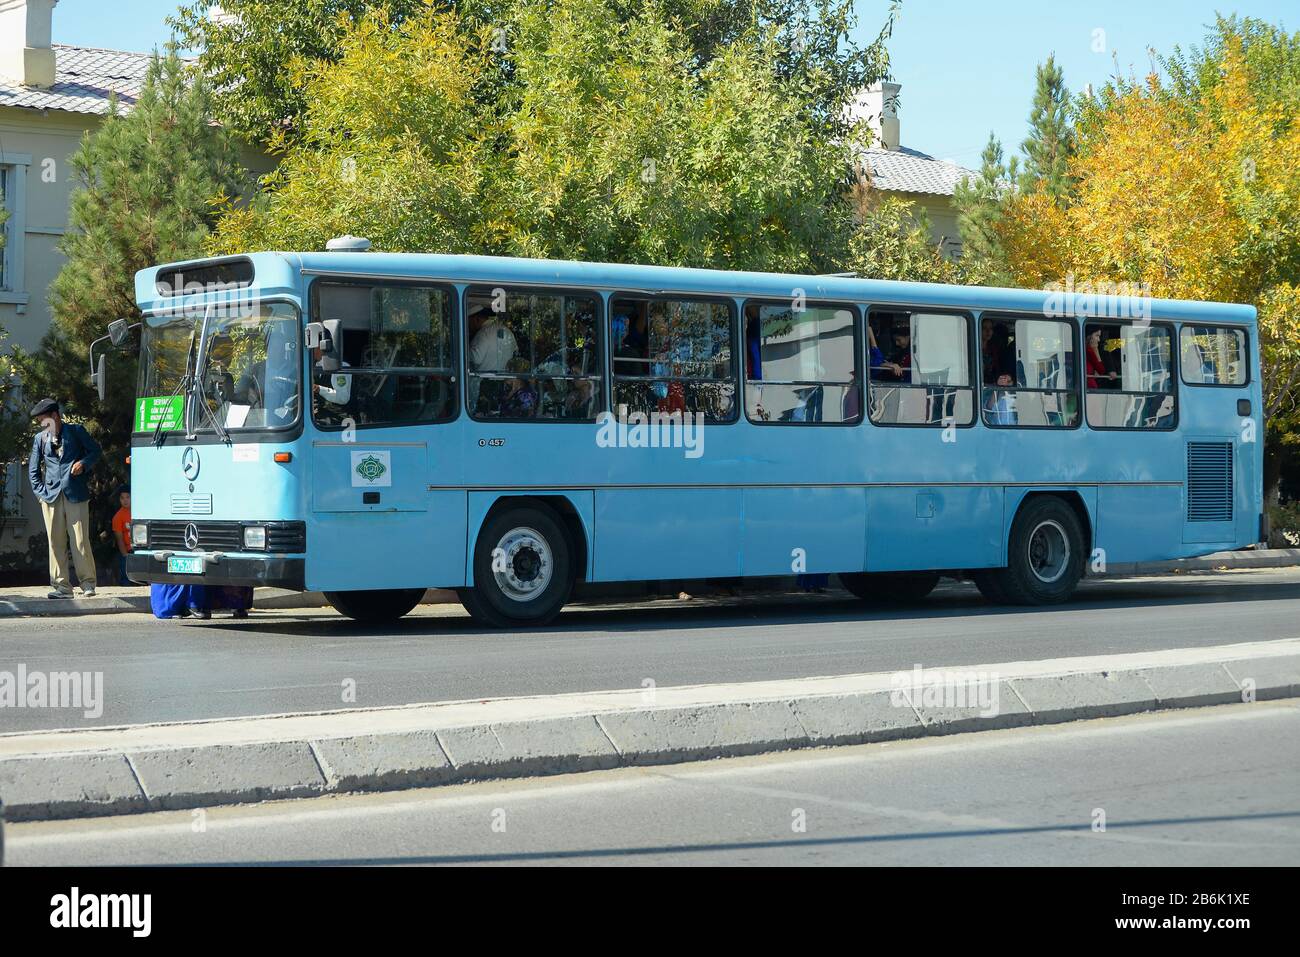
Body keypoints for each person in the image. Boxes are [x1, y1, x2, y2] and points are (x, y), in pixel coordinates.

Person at [27, 399, 100, 599]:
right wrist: (41, 494)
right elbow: (33, 471)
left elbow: (95, 451)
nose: (43, 425)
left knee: (80, 540)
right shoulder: (40, 439)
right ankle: (62, 587)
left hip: (75, 494)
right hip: (50, 496)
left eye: (45, 420)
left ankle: (87, 584)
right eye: (40, 422)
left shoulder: (76, 431)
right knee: (55, 542)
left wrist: (83, 464)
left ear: (56, 416)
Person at [111, 485, 132, 586]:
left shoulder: (139, 511)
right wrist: (125, 555)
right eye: (122, 498)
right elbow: (119, 539)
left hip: (142, 550)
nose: (125, 500)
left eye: (128, 497)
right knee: (126, 578)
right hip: (128, 551)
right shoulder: (118, 517)